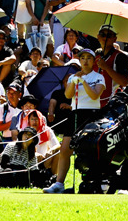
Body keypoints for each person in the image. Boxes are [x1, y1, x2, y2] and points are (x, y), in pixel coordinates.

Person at [43, 48, 105, 194]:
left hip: (92, 115)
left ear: (93, 60)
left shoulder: (98, 77)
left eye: (89, 58)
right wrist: (73, 81)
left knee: (90, 150)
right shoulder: (72, 77)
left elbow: (95, 95)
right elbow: (68, 94)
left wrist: (83, 81)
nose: (85, 61)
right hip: (75, 113)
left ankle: (96, 181)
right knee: (65, 150)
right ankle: (59, 183)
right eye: (82, 58)